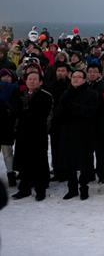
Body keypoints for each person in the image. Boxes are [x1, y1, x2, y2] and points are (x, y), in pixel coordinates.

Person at [54, 69, 98, 200]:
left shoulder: (92, 94)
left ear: (84, 80)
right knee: (69, 161)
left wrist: (73, 108)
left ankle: (84, 187)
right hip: (67, 131)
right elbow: (59, 112)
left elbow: (91, 112)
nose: (76, 79)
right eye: (74, 77)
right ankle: (72, 188)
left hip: (85, 132)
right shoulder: (66, 93)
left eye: (79, 77)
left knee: (85, 161)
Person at [11, 71, 53, 201]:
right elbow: (16, 113)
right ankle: (24, 188)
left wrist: (26, 110)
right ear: (26, 80)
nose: (32, 81)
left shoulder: (45, 96)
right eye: (30, 79)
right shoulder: (20, 95)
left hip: (38, 133)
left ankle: (40, 190)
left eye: (35, 79)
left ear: (40, 82)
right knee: (23, 161)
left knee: (39, 161)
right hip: (22, 133)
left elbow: (43, 114)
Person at [86, 63, 104, 183]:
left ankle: (102, 174)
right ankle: (89, 173)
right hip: (86, 124)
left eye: (95, 71)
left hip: (100, 123)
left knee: (101, 151)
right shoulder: (84, 86)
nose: (92, 74)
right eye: (90, 71)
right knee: (87, 150)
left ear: (100, 73)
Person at [0, 69, 18, 186]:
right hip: (4, 124)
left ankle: (11, 175)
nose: (6, 78)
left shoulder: (15, 89)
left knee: (7, 152)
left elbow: (16, 107)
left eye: (8, 76)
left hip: (7, 125)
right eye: (4, 76)